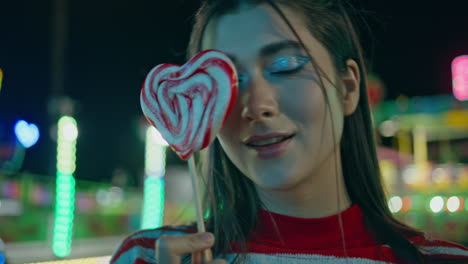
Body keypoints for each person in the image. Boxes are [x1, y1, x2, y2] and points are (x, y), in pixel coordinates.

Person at [111, 0, 468, 263]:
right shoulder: (148, 257)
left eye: (285, 66)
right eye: (229, 81)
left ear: (348, 88)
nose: (256, 105)